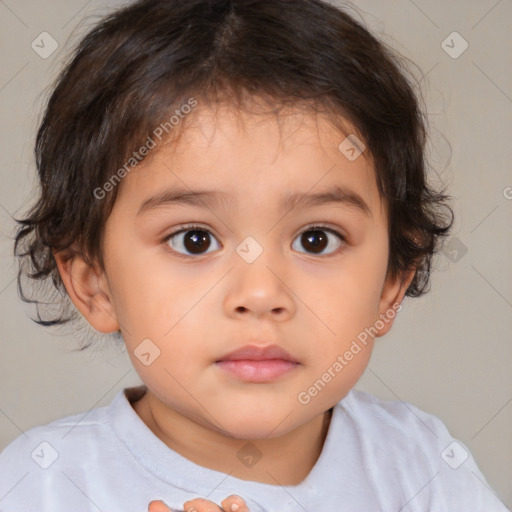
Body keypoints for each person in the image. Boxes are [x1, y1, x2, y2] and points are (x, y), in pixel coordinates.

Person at [0, 0, 508, 510]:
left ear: (391, 283)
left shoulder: (423, 467)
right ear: (95, 284)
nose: (261, 294)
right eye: (194, 239)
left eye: (317, 239)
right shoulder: (41, 483)